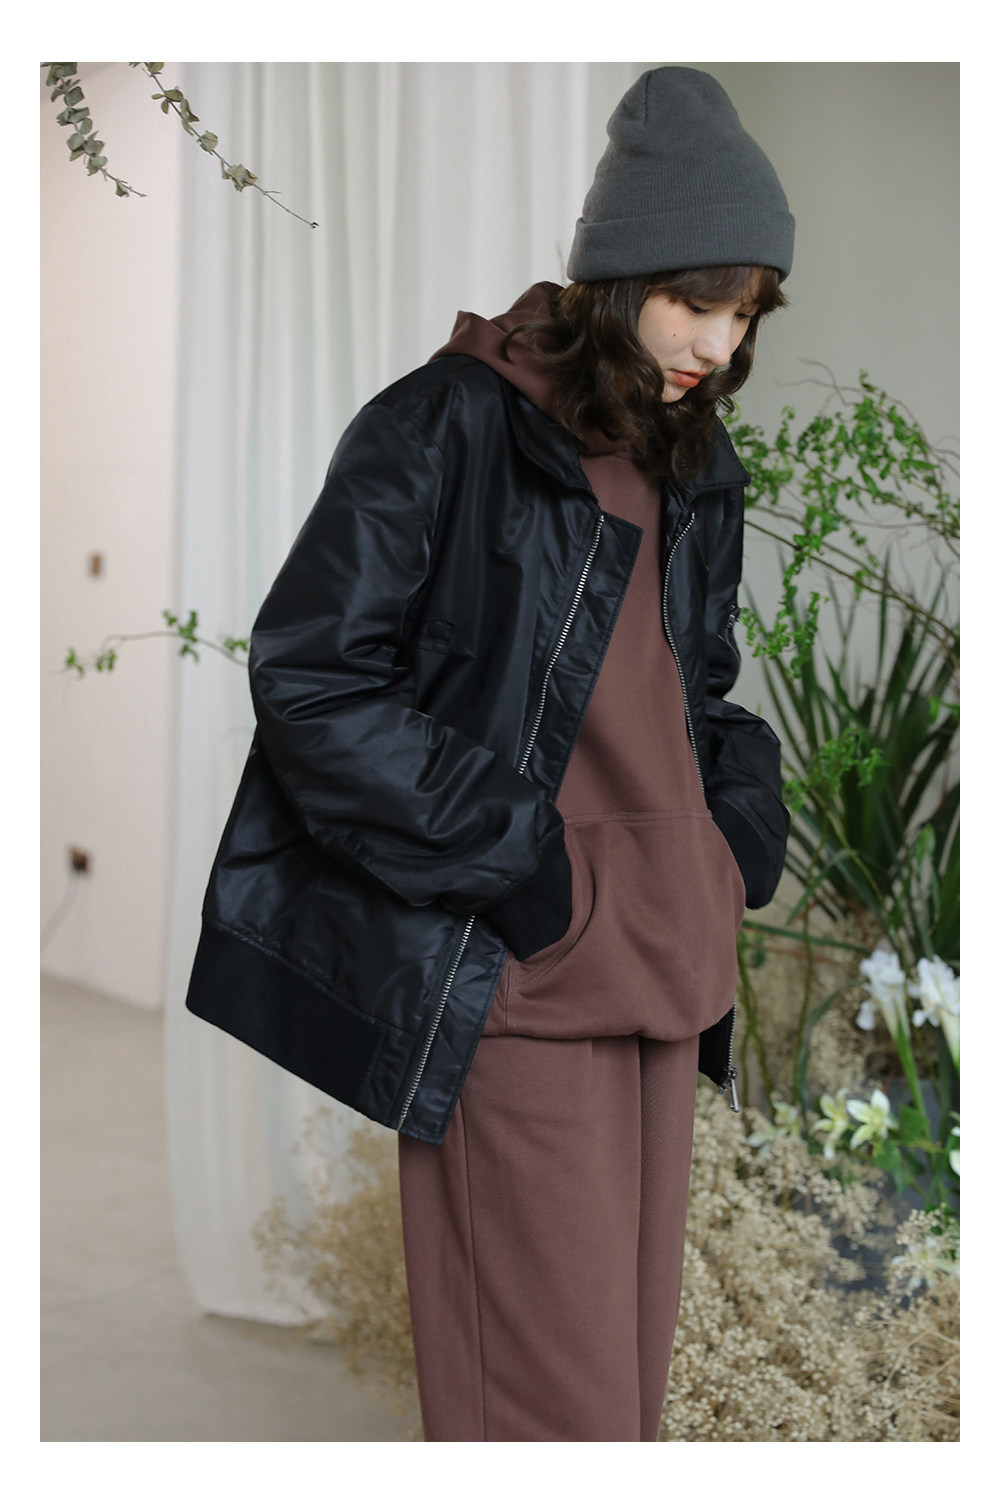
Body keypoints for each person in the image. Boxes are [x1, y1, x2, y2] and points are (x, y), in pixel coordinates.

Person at [185, 66, 795, 1441]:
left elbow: (696, 692)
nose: (720, 342)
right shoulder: (447, 423)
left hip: (666, 970)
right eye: (699, 300)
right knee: (539, 1417)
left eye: (748, 312)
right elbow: (312, 678)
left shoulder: (695, 460)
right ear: (622, 271)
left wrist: (732, 840)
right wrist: (524, 873)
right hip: (522, 978)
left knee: (619, 1411)